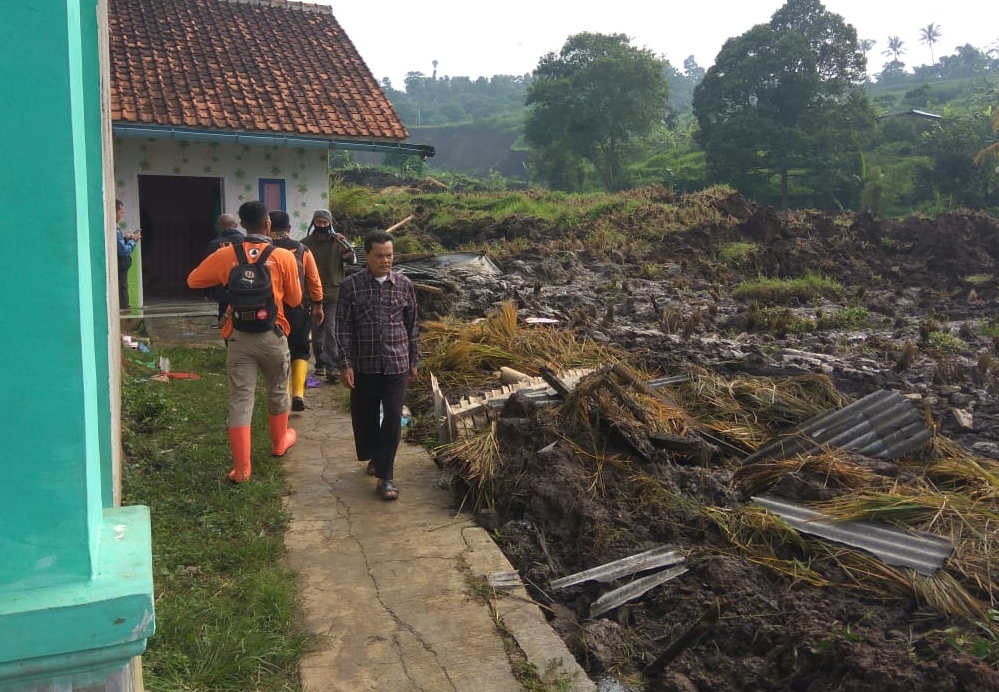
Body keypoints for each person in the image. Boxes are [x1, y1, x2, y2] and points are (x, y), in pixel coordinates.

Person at [187, 201, 303, 483]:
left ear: (241, 225)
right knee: (277, 388)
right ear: (267, 225)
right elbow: (295, 300)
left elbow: (193, 281)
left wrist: (229, 283)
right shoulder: (284, 256)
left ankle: (241, 469)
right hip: (273, 335)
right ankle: (279, 443)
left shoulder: (227, 254)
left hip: (238, 336)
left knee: (241, 397)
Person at [335, 230, 419, 501]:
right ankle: (374, 455)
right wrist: (345, 364)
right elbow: (343, 327)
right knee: (365, 415)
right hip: (364, 362)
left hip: (396, 361)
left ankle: (386, 476)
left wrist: (413, 359)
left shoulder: (404, 285)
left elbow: (412, 325)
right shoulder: (352, 286)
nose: (386, 261)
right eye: (380, 256)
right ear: (367, 256)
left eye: (390, 255)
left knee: (393, 416)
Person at [269, 210, 324, 412]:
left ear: (268, 226)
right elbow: (314, 280)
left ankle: (283, 393)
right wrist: (318, 304)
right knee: (300, 350)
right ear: (289, 228)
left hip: (270, 312)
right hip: (297, 308)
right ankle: (298, 393)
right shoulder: (301, 250)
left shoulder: (263, 250)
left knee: (277, 353)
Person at [302, 209, 355, 381]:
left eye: (325, 223)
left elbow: (352, 260)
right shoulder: (305, 244)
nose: (322, 225)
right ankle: (321, 364)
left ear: (330, 224)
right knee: (317, 332)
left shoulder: (338, 242)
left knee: (331, 330)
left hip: (334, 293)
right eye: (319, 222)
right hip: (312, 294)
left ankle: (333, 366)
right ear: (313, 223)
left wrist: (346, 244)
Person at [205, 213, 246, 325]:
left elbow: (208, 270)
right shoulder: (248, 242)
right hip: (247, 288)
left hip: (223, 291)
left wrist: (206, 291)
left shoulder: (214, 245)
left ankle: (229, 340)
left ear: (219, 226)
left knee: (225, 322)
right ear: (236, 225)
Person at [115, 199, 141, 309]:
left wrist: (126, 238)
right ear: (114, 211)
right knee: (122, 288)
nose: (121, 215)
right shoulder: (114, 230)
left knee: (123, 287)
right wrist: (132, 241)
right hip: (120, 265)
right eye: (120, 212)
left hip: (120, 266)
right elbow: (123, 251)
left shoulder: (115, 230)